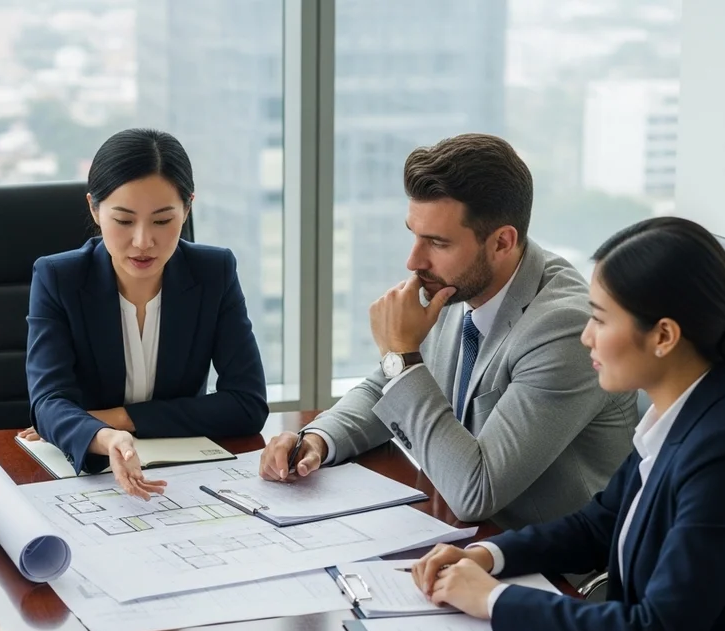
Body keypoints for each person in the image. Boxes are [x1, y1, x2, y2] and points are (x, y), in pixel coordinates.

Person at [411, 217, 725, 631]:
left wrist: (495, 600)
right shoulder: (678, 413)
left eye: (600, 318)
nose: (586, 336)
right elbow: (599, 523)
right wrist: (486, 555)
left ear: (664, 336)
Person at [258, 133, 636, 529]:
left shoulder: (564, 329)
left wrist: (403, 356)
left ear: (502, 242)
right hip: (465, 535)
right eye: (414, 235)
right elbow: (384, 386)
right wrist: (317, 440)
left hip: (550, 566)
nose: (413, 261)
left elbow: (477, 492)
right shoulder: (460, 286)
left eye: (437, 242)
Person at [21, 128, 268, 499]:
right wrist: (106, 437)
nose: (142, 241)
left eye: (162, 220)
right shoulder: (59, 278)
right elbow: (48, 404)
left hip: (184, 478)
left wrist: (116, 417)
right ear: (94, 208)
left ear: (187, 208)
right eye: (123, 220)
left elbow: (247, 404)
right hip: (87, 477)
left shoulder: (213, 272)